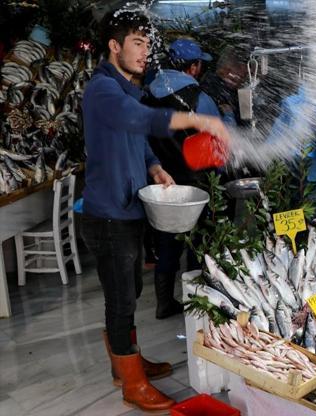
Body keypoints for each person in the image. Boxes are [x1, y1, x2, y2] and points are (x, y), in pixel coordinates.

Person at [80, 10, 230, 412]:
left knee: (131, 290)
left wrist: (153, 164)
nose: (146, 53)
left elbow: (138, 135)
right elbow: (142, 119)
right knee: (121, 299)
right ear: (115, 46)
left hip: (128, 209)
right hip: (107, 213)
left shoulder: (127, 87)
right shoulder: (103, 91)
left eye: (148, 45)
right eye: (137, 44)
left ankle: (127, 361)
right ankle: (131, 382)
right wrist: (199, 119)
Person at [143, 38, 231, 319]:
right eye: (200, 64)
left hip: (162, 185)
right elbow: (219, 144)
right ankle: (196, 304)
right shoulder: (198, 99)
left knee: (167, 242)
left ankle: (164, 302)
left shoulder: (146, 94)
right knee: (198, 243)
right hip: (196, 184)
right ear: (193, 67)